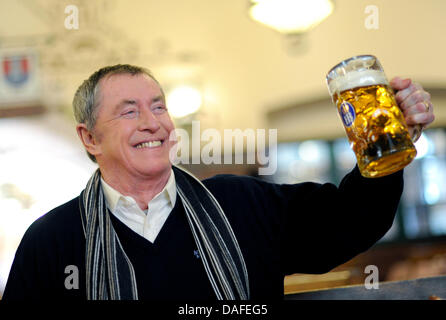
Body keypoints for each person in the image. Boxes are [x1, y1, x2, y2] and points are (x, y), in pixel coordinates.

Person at [2, 64, 435, 300]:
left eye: (159, 106)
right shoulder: (51, 242)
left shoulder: (240, 203)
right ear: (89, 138)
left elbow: (350, 220)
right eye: (129, 111)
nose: (153, 123)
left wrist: (387, 137)